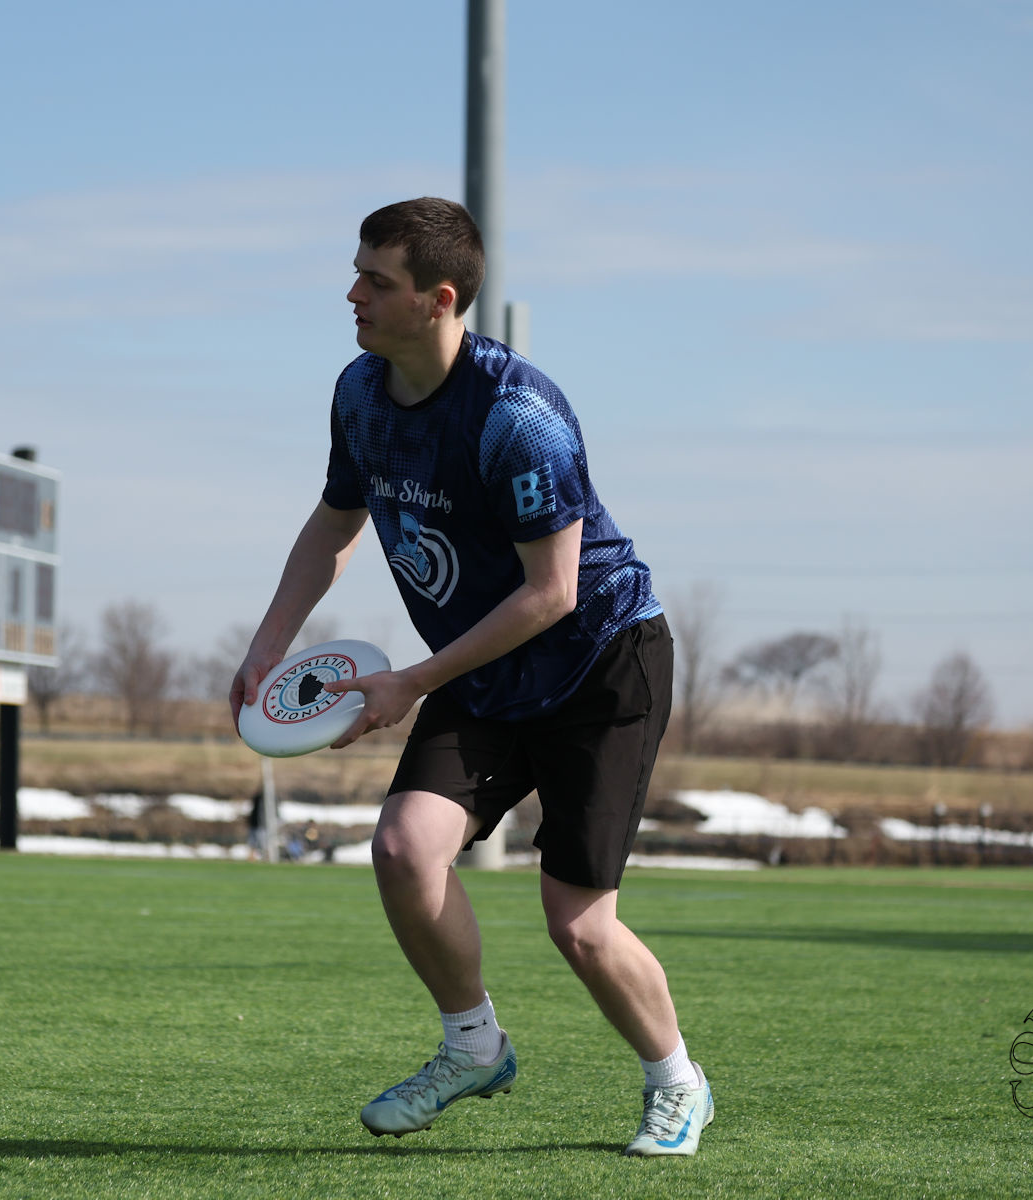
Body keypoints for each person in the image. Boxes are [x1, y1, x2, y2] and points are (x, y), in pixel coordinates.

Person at [229, 198, 710, 1158]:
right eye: (357, 272)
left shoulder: (517, 417)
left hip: (599, 661)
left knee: (579, 925)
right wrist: (268, 644)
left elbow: (552, 593)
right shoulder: (360, 394)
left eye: (376, 280)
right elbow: (336, 521)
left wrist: (413, 680)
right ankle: (473, 1044)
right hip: (485, 667)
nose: (353, 294)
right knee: (405, 848)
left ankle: (678, 1085)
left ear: (438, 299)